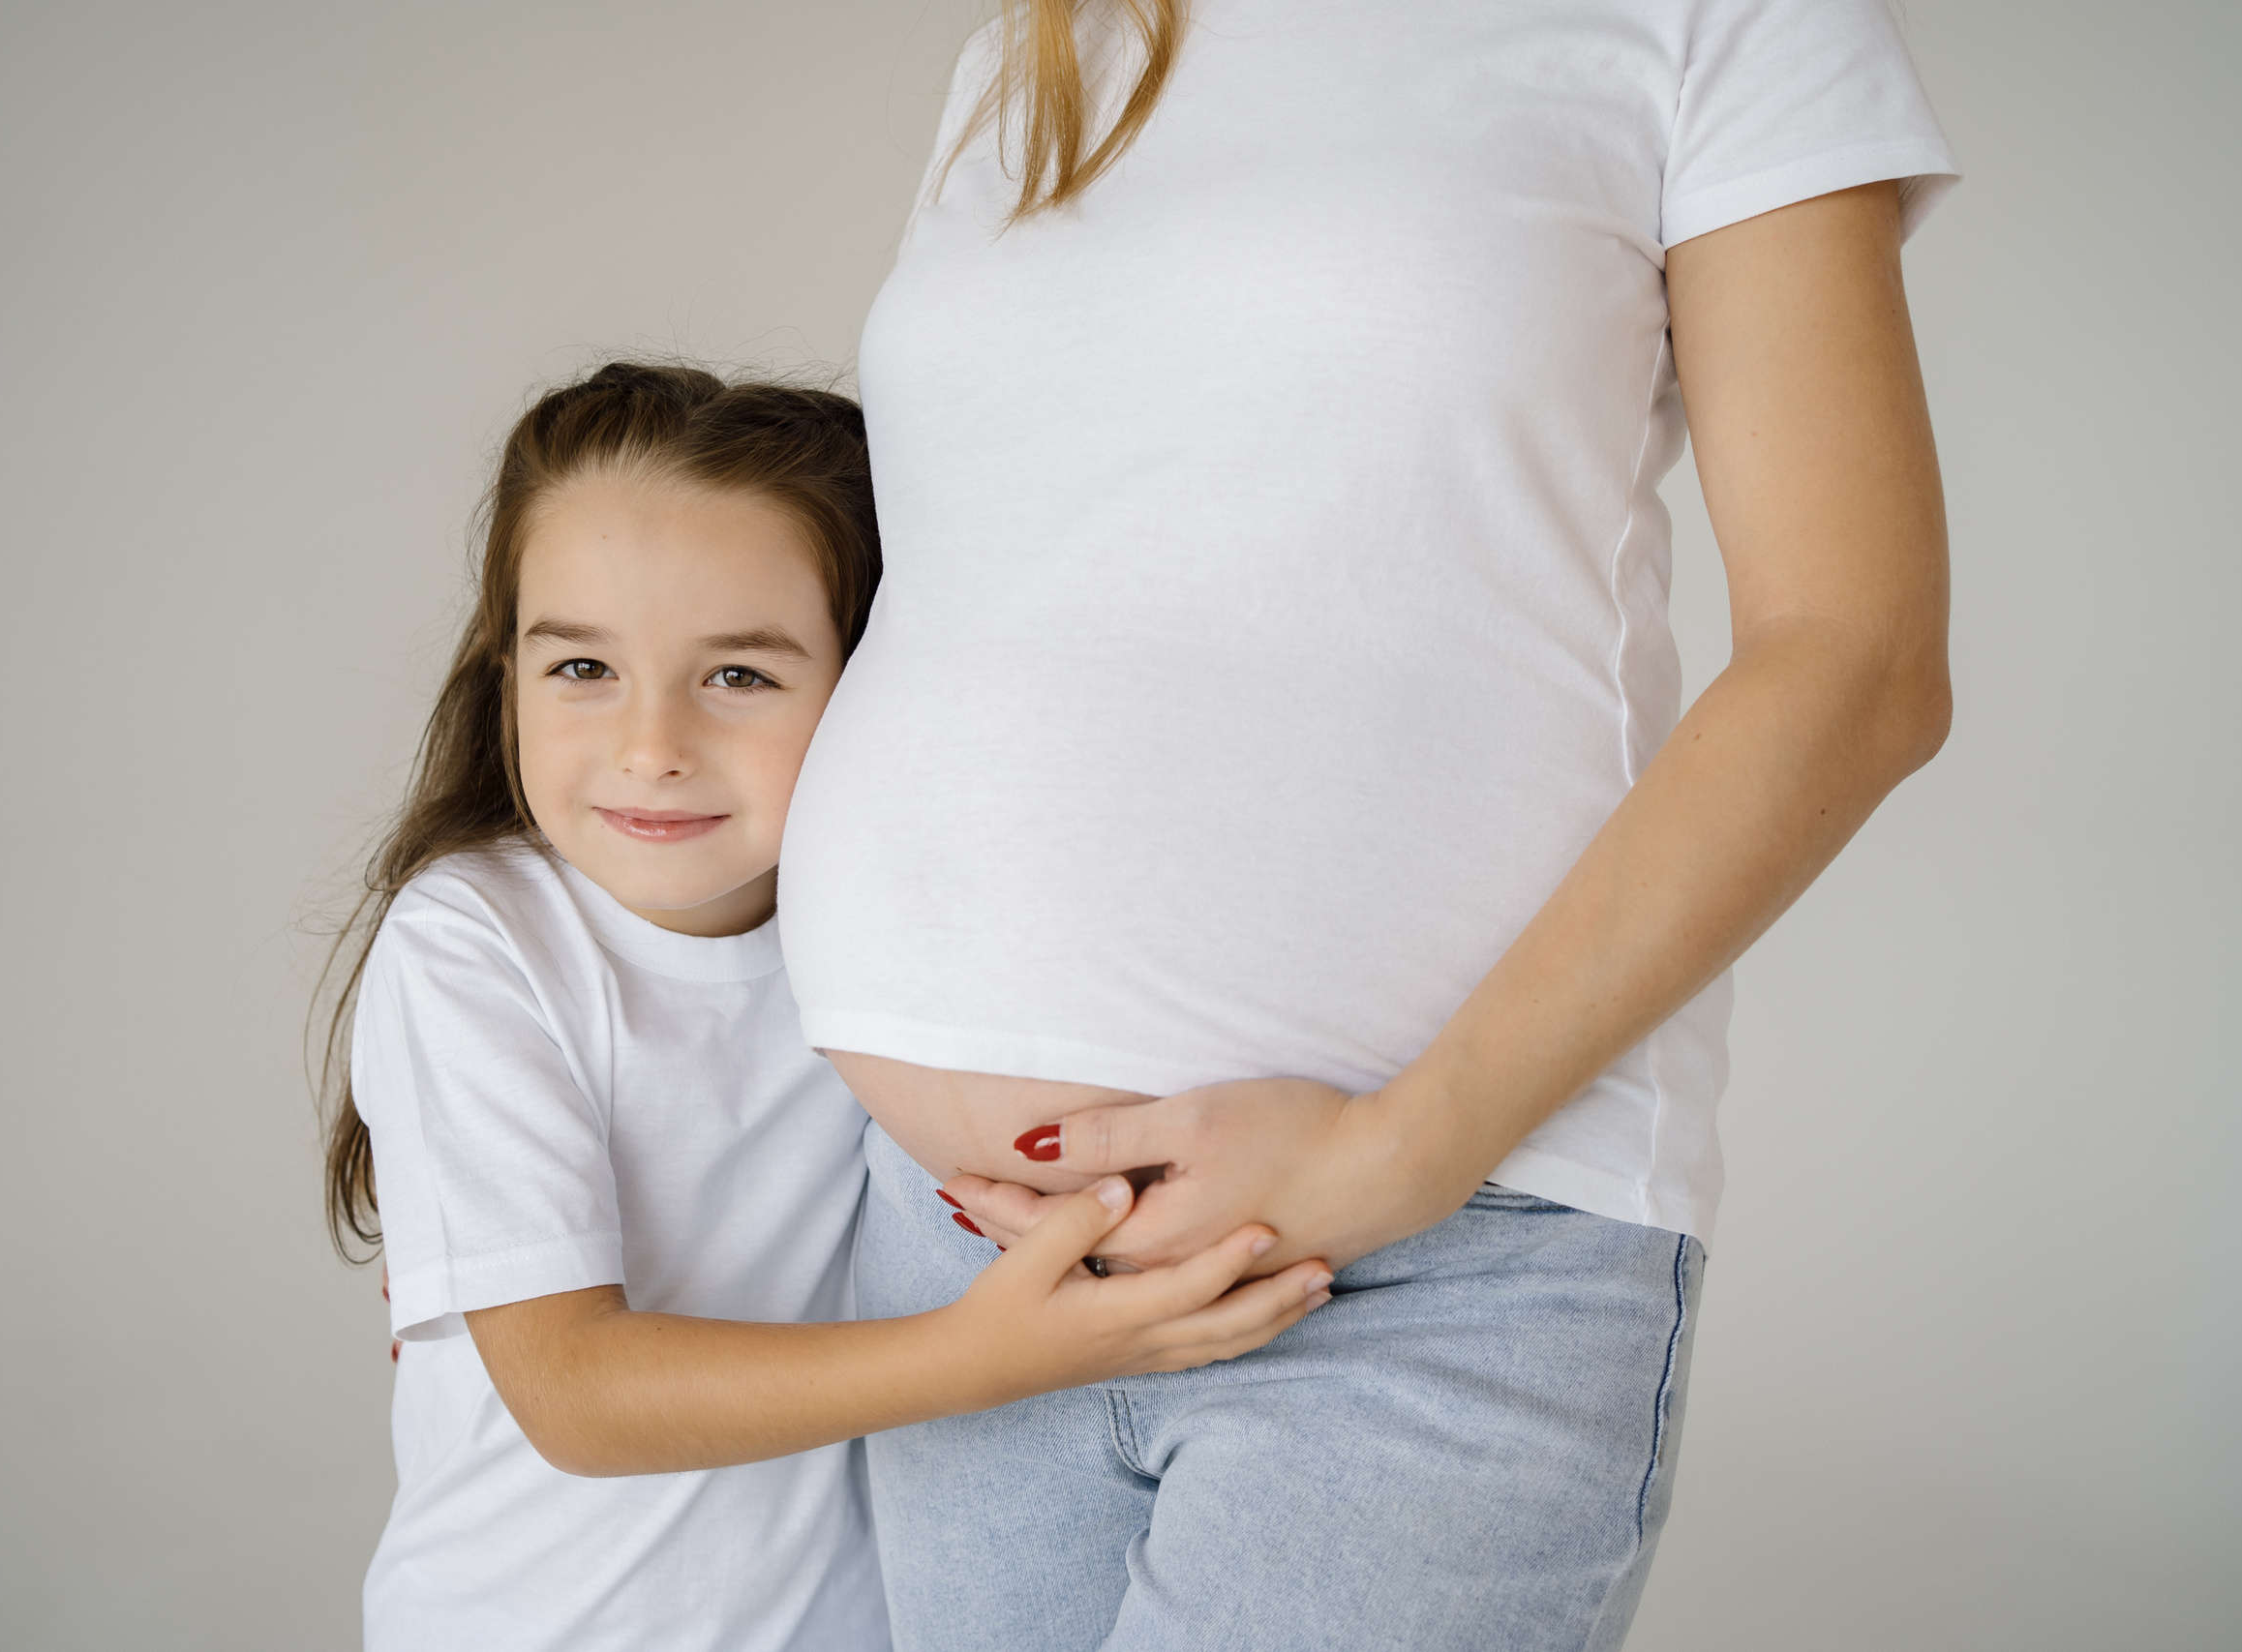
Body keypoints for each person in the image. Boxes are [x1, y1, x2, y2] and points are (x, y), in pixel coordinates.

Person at [776, 1, 1959, 1646]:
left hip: (1438, 1248)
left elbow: (1858, 656)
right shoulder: (1044, 42)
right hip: (956, 1254)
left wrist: (1395, 1154)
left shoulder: (1711, 20)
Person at [315, 362, 1332, 1652]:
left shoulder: (881, 935)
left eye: (739, 675)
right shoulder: (476, 940)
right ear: (502, 671)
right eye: (581, 665)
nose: (651, 745)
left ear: (871, 683)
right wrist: (995, 1353)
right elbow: (575, 1396)